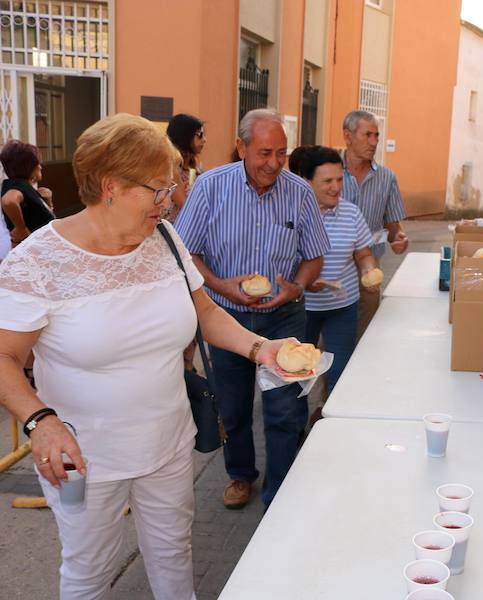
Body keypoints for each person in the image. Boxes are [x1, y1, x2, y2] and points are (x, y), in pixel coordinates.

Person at [0, 113, 294, 599]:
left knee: (174, 554)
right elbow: (5, 358)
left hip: (168, 445)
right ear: (110, 185)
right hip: (80, 456)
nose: (169, 201)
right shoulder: (38, 261)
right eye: (158, 189)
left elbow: (204, 312)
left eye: (171, 187)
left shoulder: (164, 240)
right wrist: (39, 422)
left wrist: (261, 348)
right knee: (90, 572)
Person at [176, 108, 330, 509]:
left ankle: (278, 492)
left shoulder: (299, 192)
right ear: (241, 147)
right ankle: (240, 474)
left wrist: (295, 287)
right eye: (264, 153)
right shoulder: (210, 187)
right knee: (234, 406)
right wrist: (219, 284)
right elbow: (186, 253)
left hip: (283, 317)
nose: (274, 163)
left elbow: (315, 257)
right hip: (224, 317)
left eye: (281, 153)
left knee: (284, 410)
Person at [288, 145, 379, 398]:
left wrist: (368, 269)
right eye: (327, 181)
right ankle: (295, 431)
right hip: (299, 308)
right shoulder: (291, 213)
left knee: (339, 371)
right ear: (306, 182)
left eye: (339, 179)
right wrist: (304, 280)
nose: (336, 187)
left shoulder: (350, 212)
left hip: (342, 306)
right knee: (296, 376)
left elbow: (362, 252)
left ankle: (327, 418)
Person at [341, 110, 408, 337]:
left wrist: (398, 238)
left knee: (366, 331)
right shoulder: (328, 172)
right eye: (367, 135)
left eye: (376, 136)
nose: (374, 142)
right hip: (331, 264)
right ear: (348, 136)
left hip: (369, 266)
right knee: (329, 332)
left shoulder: (386, 177)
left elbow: (393, 226)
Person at [1, 140, 54, 246]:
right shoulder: (18, 185)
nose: (40, 167)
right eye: (37, 163)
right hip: (33, 251)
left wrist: (48, 200)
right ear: (29, 166)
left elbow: (39, 218)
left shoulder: (25, 187)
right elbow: (8, 201)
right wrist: (21, 229)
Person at [165, 113, 206, 223]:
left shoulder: (196, 167)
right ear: (185, 135)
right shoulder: (170, 167)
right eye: (200, 135)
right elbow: (186, 206)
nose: (204, 140)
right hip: (173, 230)